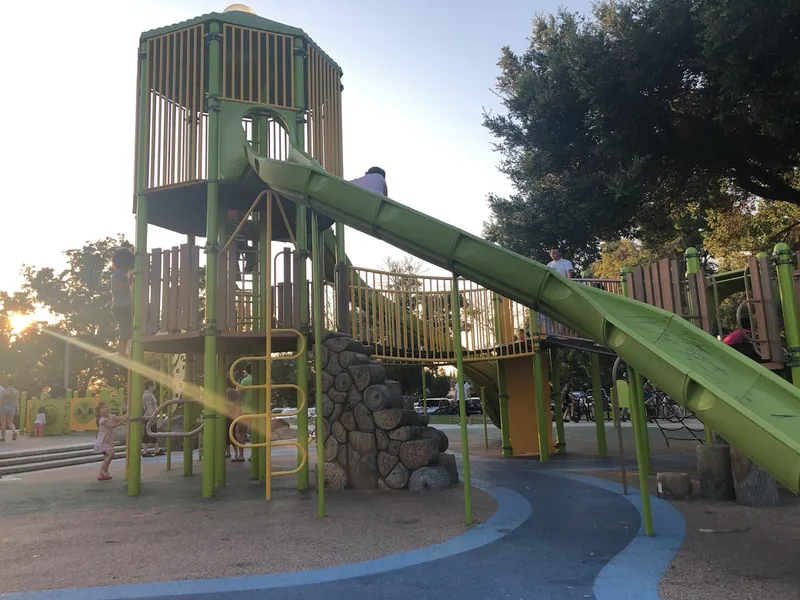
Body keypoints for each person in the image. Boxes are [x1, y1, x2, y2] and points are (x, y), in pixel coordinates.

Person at [94, 401, 129, 481]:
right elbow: (111, 426)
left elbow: (119, 418)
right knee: (111, 454)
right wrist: (121, 422)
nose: (105, 409)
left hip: (108, 440)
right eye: (102, 408)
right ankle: (102, 472)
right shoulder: (102, 420)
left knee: (107, 456)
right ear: (99, 412)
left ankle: (104, 472)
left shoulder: (110, 416)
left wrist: (127, 414)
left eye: (106, 407)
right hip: (103, 441)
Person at [111, 248, 135, 356]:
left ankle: (124, 349)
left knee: (128, 328)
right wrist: (130, 281)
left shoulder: (122, 274)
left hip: (123, 306)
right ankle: (121, 351)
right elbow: (118, 288)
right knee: (125, 329)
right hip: (120, 306)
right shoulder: (117, 274)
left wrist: (132, 251)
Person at [141, 380, 162, 457]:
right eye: (154, 384)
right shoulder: (147, 395)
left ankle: (157, 450)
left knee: (153, 433)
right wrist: (152, 417)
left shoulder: (149, 394)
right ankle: (145, 452)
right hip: (149, 417)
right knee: (147, 434)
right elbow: (149, 407)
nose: (155, 386)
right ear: (150, 386)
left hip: (151, 416)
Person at [225, 387, 245, 462]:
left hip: (229, 420)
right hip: (233, 419)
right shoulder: (236, 403)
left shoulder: (228, 403)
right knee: (230, 436)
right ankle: (232, 453)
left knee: (230, 436)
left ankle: (231, 452)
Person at [240, 363, 254, 459]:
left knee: (242, 432)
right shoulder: (260, 380)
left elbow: (240, 396)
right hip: (258, 411)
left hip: (245, 410)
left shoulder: (245, 381)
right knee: (256, 433)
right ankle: (254, 454)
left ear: (246, 370)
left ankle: (241, 455)